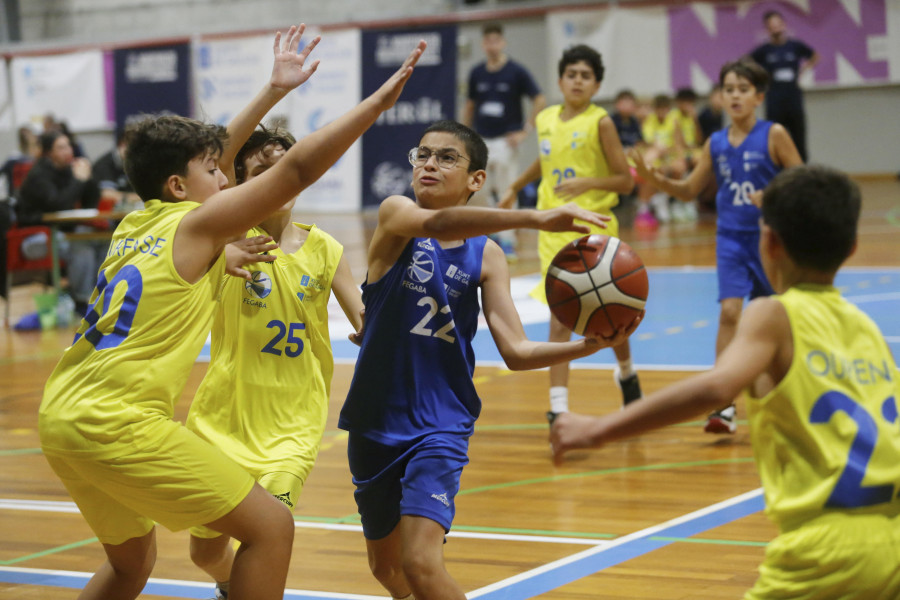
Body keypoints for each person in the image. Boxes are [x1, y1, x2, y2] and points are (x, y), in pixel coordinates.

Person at [37, 32, 427, 600]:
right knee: (272, 528)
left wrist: (272, 90)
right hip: (116, 422)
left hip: (62, 416)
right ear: (179, 186)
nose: (225, 177)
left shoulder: (134, 225)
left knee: (130, 566)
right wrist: (374, 106)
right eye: (214, 172)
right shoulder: (193, 226)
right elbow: (293, 174)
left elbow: (214, 158)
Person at [551, 164, 900, 599]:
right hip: (892, 540)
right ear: (851, 248)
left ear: (768, 243)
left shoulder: (774, 314)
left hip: (825, 551)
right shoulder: (869, 331)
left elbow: (717, 388)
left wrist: (597, 428)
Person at [339, 119, 636, 600]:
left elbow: (516, 352)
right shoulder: (396, 214)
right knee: (387, 571)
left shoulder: (486, 255)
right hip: (374, 420)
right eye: (423, 154)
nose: (430, 163)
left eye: (447, 157)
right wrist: (535, 217)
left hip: (440, 422)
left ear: (478, 178)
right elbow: (435, 224)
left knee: (420, 562)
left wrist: (587, 346)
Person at [181, 27, 363, 600]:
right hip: (222, 419)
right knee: (204, 550)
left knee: (267, 534)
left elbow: (364, 319)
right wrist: (274, 89)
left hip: (291, 425)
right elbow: (218, 159)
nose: (276, 182)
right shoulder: (220, 236)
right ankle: (231, 588)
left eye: (284, 170)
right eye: (258, 174)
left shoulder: (325, 248)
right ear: (241, 184)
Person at [631, 58, 803, 434]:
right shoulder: (717, 142)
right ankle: (722, 406)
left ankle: (792, 393)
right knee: (729, 313)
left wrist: (773, 195)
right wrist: (654, 178)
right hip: (730, 240)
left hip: (769, 241)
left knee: (781, 319)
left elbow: (802, 178)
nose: (735, 95)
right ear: (721, 97)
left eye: (743, 89)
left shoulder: (774, 135)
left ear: (758, 96)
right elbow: (691, 190)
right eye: (729, 89)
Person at [500, 44, 640, 420]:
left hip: (595, 233)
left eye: (586, 76)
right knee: (560, 320)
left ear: (596, 85)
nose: (578, 81)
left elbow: (625, 181)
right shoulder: (546, 118)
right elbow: (545, 161)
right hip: (554, 231)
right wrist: (515, 185)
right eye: (572, 74)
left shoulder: (601, 121)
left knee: (611, 318)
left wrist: (587, 182)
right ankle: (558, 410)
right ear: (561, 80)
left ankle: (626, 372)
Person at [462, 22, 546, 261]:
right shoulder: (477, 73)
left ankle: (508, 241)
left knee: (508, 189)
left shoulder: (516, 71)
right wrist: (463, 135)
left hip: (506, 141)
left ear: (503, 42)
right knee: (482, 190)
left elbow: (539, 99)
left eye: (496, 40)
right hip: (481, 140)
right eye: (487, 41)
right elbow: (469, 105)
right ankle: (490, 236)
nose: (492, 45)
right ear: (483, 44)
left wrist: (526, 130)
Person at [17, 129, 104, 314]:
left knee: (104, 240)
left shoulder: (67, 170)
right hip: (34, 235)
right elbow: (59, 206)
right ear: (50, 153)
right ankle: (82, 301)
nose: (69, 151)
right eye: (62, 148)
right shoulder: (39, 175)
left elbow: (91, 204)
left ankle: (104, 295)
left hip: (61, 230)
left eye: (69, 146)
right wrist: (78, 181)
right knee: (81, 244)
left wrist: (89, 180)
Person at [750, 10, 818, 161]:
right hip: (774, 99)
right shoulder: (764, 50)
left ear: (784, 25)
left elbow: (814, 56)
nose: (776, 28)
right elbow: (747, 62)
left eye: (778, 24)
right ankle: (777, 174)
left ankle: (802, 174)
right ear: (767, 29)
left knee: (798, 137)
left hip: (793, 98)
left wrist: (803, 70)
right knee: (774, 137)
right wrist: (761, 79)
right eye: (771, 26)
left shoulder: (795, 46)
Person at [92, 129, 142, 211]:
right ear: (122, 145)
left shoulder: (136, 162)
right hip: (108, 215)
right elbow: (107, 195)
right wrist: (138, 197)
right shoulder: (104, 165)